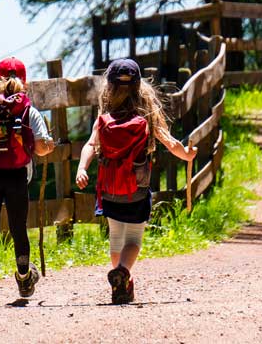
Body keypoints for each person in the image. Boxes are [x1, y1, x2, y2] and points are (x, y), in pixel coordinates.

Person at [75, 58, 197, 304]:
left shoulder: (105, 115)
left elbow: (90, 144)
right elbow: (169, 141)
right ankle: (123, 272)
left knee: (116, 236)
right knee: (133, 240)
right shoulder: (146, 114)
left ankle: (121, 284)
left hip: (109, 190)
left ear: (108, 86)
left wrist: (81, 168)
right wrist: (186, 154)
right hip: (137, 190)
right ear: (139, 85)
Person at [0, 57, 55, 306]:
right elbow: (39, 148)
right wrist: (49, 146)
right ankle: (25, 278)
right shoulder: (29, 110)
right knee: (18, 228)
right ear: (24, 82)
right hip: (17, 175)